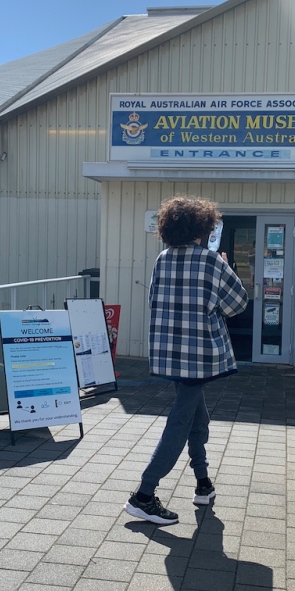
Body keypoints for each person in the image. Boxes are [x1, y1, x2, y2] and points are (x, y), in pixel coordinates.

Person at [125, 196, 248, 525]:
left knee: (196, 416)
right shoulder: (211, 261)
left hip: (169, 353)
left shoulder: (162, 259)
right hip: (199, 355)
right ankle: (144, 495)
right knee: (179, 423)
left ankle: (203, 484)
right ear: (202, 229)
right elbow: (238, 304)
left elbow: (154, 300)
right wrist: (226, 266)